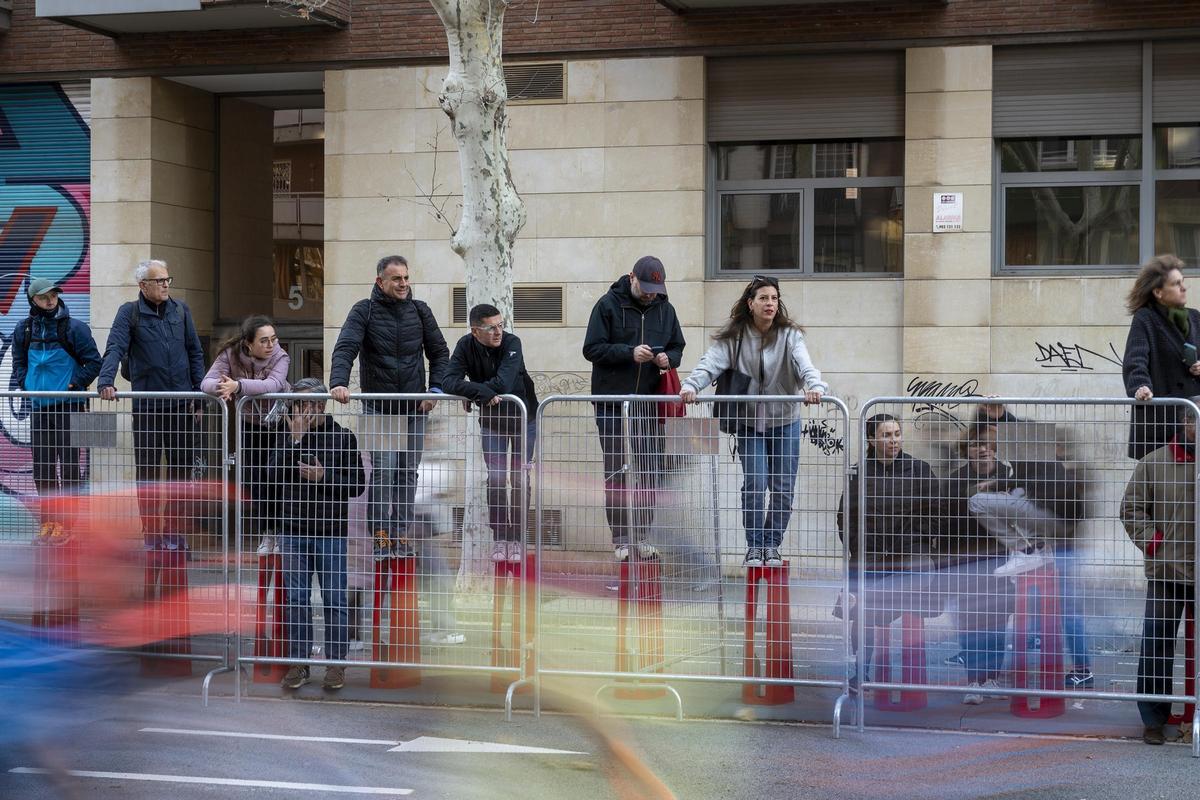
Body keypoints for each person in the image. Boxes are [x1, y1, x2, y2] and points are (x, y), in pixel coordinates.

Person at [679, 274, 826, 566]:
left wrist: (815, 387)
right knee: (756, 483)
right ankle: (755, 546)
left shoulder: (790, 335)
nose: (770, 303)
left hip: (785, 421)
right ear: (751, 303)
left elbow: (805, 364)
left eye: (774, 298)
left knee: (783, 487)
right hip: (750, 423)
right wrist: (692, 385)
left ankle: (772, 544)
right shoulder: (736, 336)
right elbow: (711, 362)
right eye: (763, 298)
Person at [329, 255, 449, 560]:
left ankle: (402, 534)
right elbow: (346, 347)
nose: (404, 284)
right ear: (380, 281)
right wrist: (339, 382)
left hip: (414, 409)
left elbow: (439, 352)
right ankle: (381, 536)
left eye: (406, 278)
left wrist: (435, 390)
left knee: (408, 473)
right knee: (383, 472)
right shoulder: (364, 310)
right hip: (379, 409)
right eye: (397, 279)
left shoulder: (420, 311)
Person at [582, 256, 685, 562]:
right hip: (612, 402)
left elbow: (678, 346)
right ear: (632, 278)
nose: (652, 293)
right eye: (647, 287)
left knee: (650, 470)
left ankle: (641, 535)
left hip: (648, 403)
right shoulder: (607, 305)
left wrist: (670, 358)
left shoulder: (665, 310)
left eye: (657, 288)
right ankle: (622, 539)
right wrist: (629, 353)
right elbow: (591, 349)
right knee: (616, 470)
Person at [97, 259, 205, 551]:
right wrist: (106, 380)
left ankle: (173, 531)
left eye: (168, 279)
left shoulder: (181, 310)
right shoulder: (129, 312)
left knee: (181, 473)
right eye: (159, 281)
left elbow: (195, 352)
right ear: (143, 286)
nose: (166, 284)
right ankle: (151, 534)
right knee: (147, 473)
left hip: (181, 404)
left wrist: (200, 395)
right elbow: (115, 347)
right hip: (147, 407)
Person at [270, 379, 366, 691]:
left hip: (331, 533)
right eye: (299, 405)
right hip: (293, 532)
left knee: (335, 600)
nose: (305, 411)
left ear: (323, 405)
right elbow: (269, 477)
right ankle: (299, 663)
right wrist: (294, 442)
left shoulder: (342, 437)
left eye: (311, 404)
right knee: (296, 600)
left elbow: (357, 484)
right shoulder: (287, 436)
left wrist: (324, 477)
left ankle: (336, 665)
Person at [837, 414, 940, 688]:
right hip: (871, 554)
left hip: (909, 551)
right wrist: (859, 547)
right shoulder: (859, 473)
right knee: (862, 614)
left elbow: (937, 512)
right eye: (886, 435)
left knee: (918, 574)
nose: (894, 440)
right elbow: (844, 517)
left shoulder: (919, 469)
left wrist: (919, 538)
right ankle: (860, 672)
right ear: (872, 439)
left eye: (896, 434)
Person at [1121, 399, 1198, 745]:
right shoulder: (1152, 463)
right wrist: (1154, 544)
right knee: (1156, 644)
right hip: (1166, 571)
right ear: (1186, 424)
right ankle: (1154, 719)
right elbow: (1131, 509)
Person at [444, 303, 539, 563]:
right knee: (496, 478)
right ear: (476, 331)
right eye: (491, 328)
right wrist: (477, 393)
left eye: (501, 325)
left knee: (519, 478)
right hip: (492, 422)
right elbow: (448, 381)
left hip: (524, 418)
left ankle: (517, 538)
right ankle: (501, 537)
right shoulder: (465, 346)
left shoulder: (512, 342)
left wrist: (471, 391)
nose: (498, 332)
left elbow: (503, 382)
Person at [11, 277, 102, 544]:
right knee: (43, 469)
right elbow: (18, 361)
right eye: (44, 297)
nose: (50, 300)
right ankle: (49, 522)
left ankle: (68, 525)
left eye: (53, 295)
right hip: (40, 409)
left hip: (71, 408)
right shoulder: (23, 329)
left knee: (72, 468)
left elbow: (94, 362)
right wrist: (24, 383)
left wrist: (75, 384)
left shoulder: (75, 328)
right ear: (33, 300)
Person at [936, 423, 1018, 704]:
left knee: (996, 624)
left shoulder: (1011, 478)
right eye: (975, 444)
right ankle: (974, 680)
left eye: (988, 444)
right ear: (966, 450)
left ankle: (992, 677)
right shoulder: (954, 482)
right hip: (967, 567)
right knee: (970, 625)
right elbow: (944, 529)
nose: (982, 449)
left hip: (1002, 566)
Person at [200, 315, 290, 555]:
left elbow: (273, 384)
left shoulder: (281, 356)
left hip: (280, 425)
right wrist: (222, 387)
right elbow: (206, 382)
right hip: (250, 424)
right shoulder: (230, 354)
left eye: (273, 339)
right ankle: (267, 534)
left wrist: (237, 386)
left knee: (277, 477)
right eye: (264, 341)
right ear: (248, 344)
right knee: (255, 480)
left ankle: (280, 532)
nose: (270, 345)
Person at [1123, 254, 1200, 459]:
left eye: (1183, 282)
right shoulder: (1146, 318)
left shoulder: (1195, 317)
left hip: (1194, 424)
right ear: (1158, 292)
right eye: (1176, 284)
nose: (1183, 288)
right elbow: (1135, 360)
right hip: (1161, 423)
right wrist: (1140, 387)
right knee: (1161, 485)